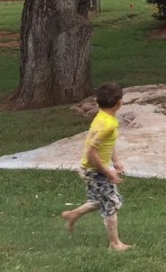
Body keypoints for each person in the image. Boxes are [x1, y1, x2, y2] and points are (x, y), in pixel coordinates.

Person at [61, 83, 131, 251]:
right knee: (111, 203)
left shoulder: (103, 118)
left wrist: (115, 161)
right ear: (120, 103)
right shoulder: (108, 125)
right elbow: (92, 151)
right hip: (95, 171)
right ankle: (115, 244)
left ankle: (73, 214)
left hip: (90, 169)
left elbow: (106, 144)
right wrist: (107, 171)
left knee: (100, 200)